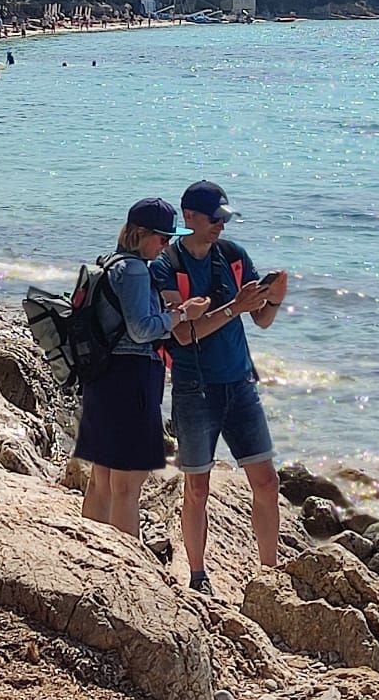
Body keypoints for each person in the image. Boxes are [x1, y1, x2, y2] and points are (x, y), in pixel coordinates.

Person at [152, 179, 291, 595]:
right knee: (197, 487)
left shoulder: (233, 257)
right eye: (215, 219)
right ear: (190, 217)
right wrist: (237, 307)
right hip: (195, 388)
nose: (221, 227)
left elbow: (260, 320)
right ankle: (197, 576)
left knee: (267, 482)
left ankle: (270, 575)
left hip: (240, 384)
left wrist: (274, 300)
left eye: (225, 219)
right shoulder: (166, 266)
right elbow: (182, 333)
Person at [76, 199, 211, 541]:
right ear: (140, 234)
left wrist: (163, 312)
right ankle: (125, 564)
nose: (166, 246)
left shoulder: (110, 263)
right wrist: (181, 315)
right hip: (131, 377)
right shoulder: (136, 270)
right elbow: (140, 330)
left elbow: (122, 318)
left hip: (104, 376)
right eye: (162, 238)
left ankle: (89, 547)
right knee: (127, 483)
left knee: (102, 477)